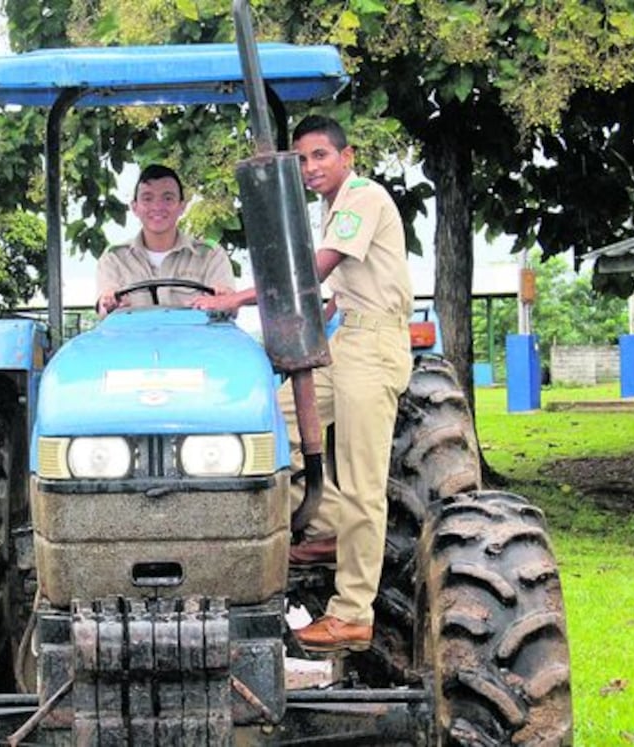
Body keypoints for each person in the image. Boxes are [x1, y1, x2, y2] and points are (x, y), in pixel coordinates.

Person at [191, 115, 413, 653]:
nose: (311, 167)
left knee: (363, 486)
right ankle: (327, 529)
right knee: (270, 427)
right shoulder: (332, 208)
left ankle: (352, 613)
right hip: (346, 340)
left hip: (373, 347)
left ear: (347, 157)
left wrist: (235, 298)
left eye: (320, 156)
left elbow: (312, 271)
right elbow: (337, 291)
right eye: (303, 159)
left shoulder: (361, 197)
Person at [96, 164, 234, 316]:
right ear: (135, 207)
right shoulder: (114, 258)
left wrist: (224, 298)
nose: (157, 206)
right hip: (135, 332)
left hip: (193, 332)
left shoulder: (210, 255)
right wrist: (109, 302)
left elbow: (230, 307)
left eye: (168, 198)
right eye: (147, 199)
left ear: (182, 206)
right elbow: (104, 308)